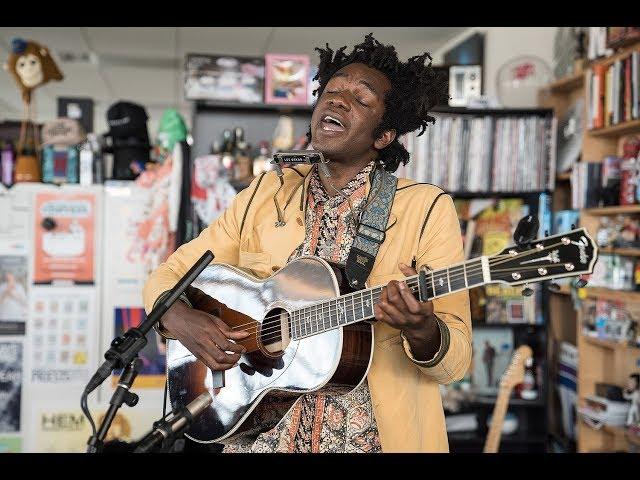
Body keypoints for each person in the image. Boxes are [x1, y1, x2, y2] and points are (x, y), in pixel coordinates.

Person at [143, 34, 471, 453]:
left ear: (384, 135)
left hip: (371, 440)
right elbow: (171, 273)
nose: (337, 101)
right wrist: (176, 319)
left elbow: (456, 360)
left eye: (361, 99)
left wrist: (423, 329)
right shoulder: (264, 195)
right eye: (331, 92)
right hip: (261, 438)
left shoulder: (426, 209)